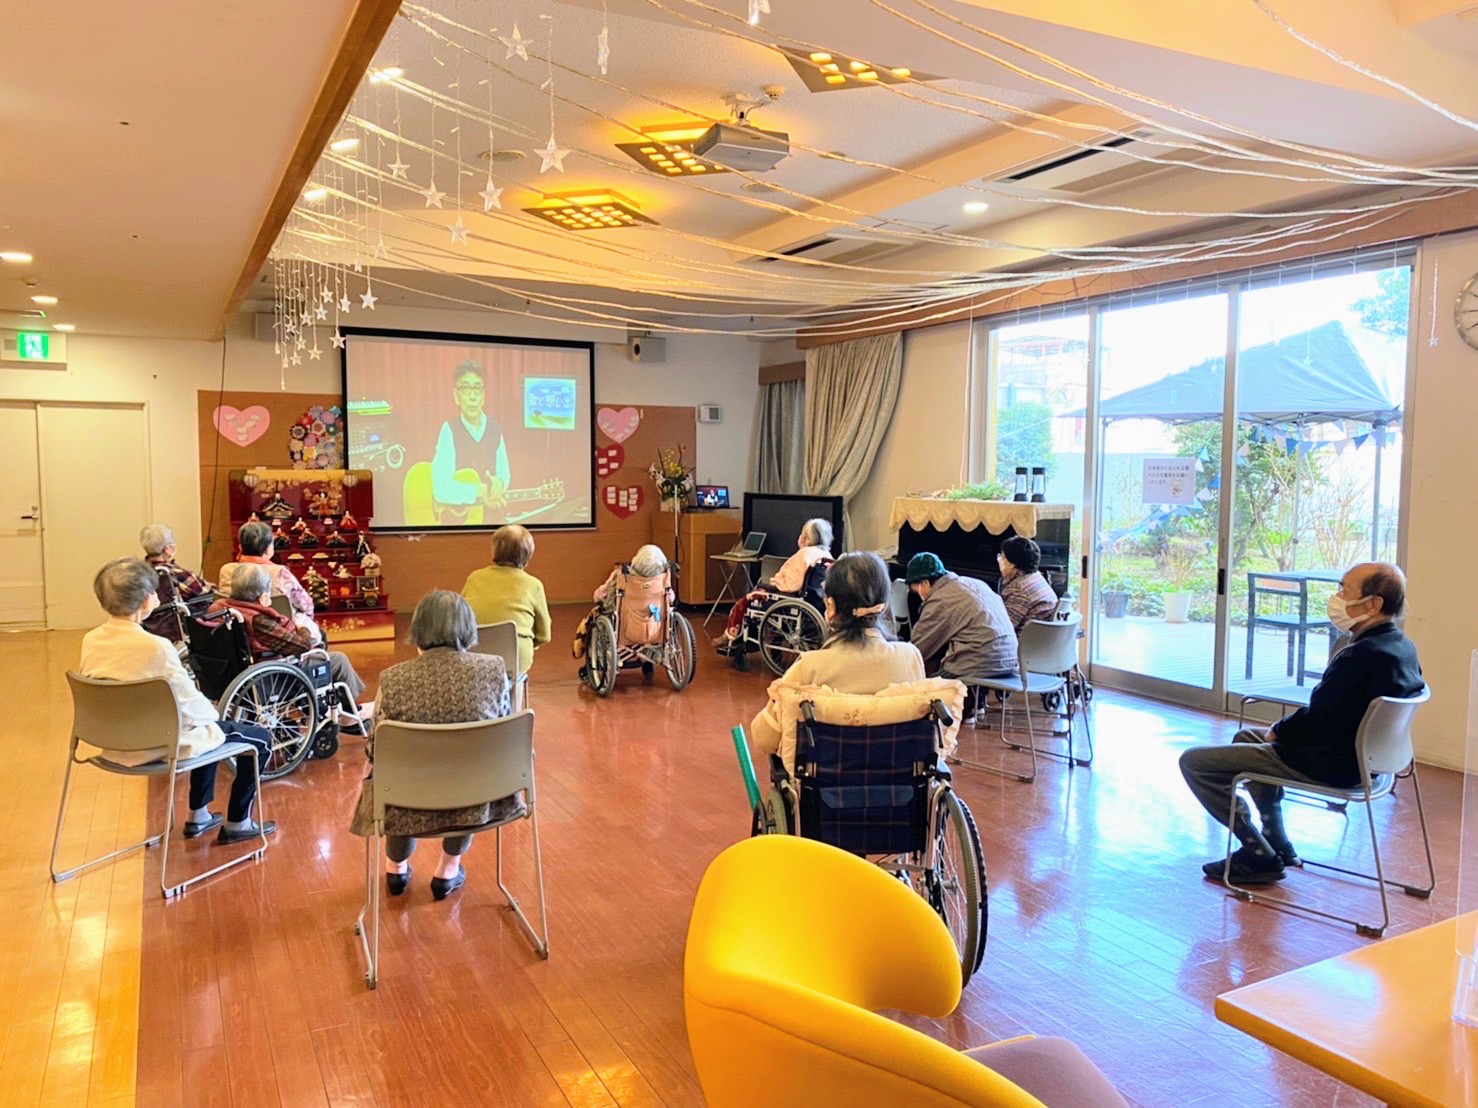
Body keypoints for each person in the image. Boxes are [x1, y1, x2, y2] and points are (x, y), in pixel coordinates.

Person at [1179, 561, 1423, 885]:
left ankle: (1256, 851)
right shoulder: (1402, 647)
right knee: (1246, 738)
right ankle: (1276, 841)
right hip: (1369, 763)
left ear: (1373, 604)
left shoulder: (1361, 655)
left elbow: (1319, 718)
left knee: (1195, 763)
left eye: (1344, 590)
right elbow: (1331, 712)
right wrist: (1281, 731)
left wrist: (1279, 731)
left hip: (1331, 765)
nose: (1337, 597)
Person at [78, 559, 275, 844]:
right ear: (146, 601)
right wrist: (214, 713)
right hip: (157, 744)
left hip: (111, 742)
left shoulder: (91, 640)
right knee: (256, 738)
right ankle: (238, 823)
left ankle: (200, 816)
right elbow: (192, 705)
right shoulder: (155, 647)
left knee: (206, 729)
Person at [349, 591, 518, 900]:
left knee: (392, 776)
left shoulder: (393, 679)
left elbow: (375, 750)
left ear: (419, 630)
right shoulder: (494, 670)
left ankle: (396, 868)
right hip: (476, 796)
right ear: (468, 629)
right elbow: (503, 738)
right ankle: (448, 869)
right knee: (472, 768)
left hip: (408, 797)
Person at [751, 552, 931, 775]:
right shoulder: (910, 657)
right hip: (899, 788)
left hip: (825, 789)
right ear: (884, 606)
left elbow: (764, 737)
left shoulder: (809, 667)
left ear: (831, 607)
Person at [209, 564, 371, 732]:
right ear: (262, 595)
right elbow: (302, 645)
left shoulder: (219, 608)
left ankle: (324, 708)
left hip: (229, 675)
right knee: (337, 659)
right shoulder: (258, 620)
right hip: (274, 678)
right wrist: (303, 629)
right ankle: (350, 715)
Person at [714, 518, 833, 650]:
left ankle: (730, 636)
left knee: (745, 601)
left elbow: (792, 584)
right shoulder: (826, 554)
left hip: (788, 598)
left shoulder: (804, 553)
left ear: (808, 539)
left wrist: (774, 583)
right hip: (813, 600)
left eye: (802, 534)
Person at [905, 552, 1017, 683]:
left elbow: (919, 649)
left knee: (924, 686)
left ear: (924, 583)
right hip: (1010, 660)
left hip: (980, 663)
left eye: (916, 590)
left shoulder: (940, 600)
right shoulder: (975, 583)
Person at [461, 524, 552, 675]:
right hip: (515, 661)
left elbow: (460, 618)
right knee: (518, 666)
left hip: (474, 658)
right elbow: (544, 635)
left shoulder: (474, 578)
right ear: (529, 553)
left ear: (494, 549)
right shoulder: (533, 585)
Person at [574, 544, 671, 675]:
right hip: (654, 627)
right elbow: (670, 599)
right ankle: (648, 658)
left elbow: (599, 596)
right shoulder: (663, 579)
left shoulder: (621, 576)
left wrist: (598, 596)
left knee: (596, 615)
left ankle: (590, 657)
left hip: (625, 626)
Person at [217, 520, 320, 643]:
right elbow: (306, 605)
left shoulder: (226, 570)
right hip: (279, 633)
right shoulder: (280, 572)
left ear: (240, 547)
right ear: (268, 548)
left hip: (236, 632)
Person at [432, 360, 511, 510]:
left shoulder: (495, 429)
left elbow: (505, 474)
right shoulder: (449, 430)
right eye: (466, 389)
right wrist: (478, 491)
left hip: (493, 516)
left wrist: (500, 483)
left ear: (483, 396)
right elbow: (440, 489)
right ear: (456, 396)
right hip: (461, 520)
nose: (472, 397)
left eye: (477, 389)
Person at [138, 522, 215, 643]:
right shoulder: (175, 573)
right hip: (181, 626)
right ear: (168, 549)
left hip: (150, 627)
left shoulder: (140, 572)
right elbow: (206, 592)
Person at [997, 536, 1060, 632]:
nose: (999, 560)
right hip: (1041, 639)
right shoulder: (1037, 578)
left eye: (1002, 557)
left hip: (1023, 640)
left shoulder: (1018, 589)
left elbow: (1002, 629)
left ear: (1012, 564)